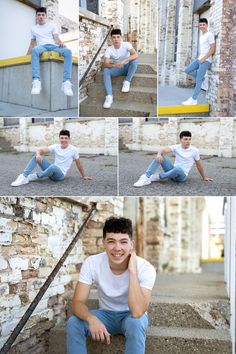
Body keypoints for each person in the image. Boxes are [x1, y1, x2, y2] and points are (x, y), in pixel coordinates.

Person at [67, 217, 156, 354]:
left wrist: (132, 271)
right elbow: (76, 303)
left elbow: (137, 311)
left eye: (123, 242)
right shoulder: (92, 263)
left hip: (130, 316)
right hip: (105, 314)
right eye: (111, 241)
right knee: (74, 323)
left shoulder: (145, 268)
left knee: (136, 323)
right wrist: (91, 318)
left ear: (131, 244)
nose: (117, 248)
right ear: (103, 243)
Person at [11, 130, 92, 187]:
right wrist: (38, 154)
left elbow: (78, 163)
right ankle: (24, 177)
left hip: (60, 175)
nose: (64, 140)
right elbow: (40, 150)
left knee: (53, 167)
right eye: (62, 138)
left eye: (66, 138)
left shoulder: (73, 149)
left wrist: (83, 176)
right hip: (51, 171)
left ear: (69, 139)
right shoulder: (56, 146)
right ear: (59, 139)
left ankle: (34, 176)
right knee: (36, 156)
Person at [133, 131, 212, 187]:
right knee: (161, 156)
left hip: (182, 176)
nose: (188, 141)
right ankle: (146, 177)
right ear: (180, 139)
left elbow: (199, 165)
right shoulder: (176, 147)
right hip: (172, 171)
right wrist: (159, 154)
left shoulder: (195, 150)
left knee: (177, 169)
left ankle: (155, 177)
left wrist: (204, 177)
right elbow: (163, 150)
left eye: (189, 139)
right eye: (185, 139)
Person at [27, 7, 73, 96]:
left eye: (43, 15)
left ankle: (66, 82)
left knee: (68, 51)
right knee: (35, 50)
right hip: (41, 47)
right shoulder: (33, 28)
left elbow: (56, 39)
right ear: (36, 16)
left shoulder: (52, 25)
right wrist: (26, 54)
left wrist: (61, 44)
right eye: (39, 15)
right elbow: (32, 43)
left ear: (46, 16)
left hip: (53, 46)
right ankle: (36, 81)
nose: (41, 17)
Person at [182, 18, 216, 106]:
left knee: (198, 80)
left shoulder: (210, 34)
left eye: (203, 25)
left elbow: (212, 49)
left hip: (206, 60)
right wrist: (199, 56)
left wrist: (204, 58)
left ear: (207, 25)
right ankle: (202, 78)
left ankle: (194, 99)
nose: (202, 26)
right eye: (200, 25)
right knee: (187, 70)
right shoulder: (201, 37)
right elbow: (204, 48)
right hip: (200, 58)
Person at [103, 29, 138, 109]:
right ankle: (109, 96)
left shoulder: (126, 44)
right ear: (111, 39)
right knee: (106, 70)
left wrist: (123, 60)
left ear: (121, 37)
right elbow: (105, 64)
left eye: (118, 37)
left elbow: (135, 54)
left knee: (134, 60)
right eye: (114, 37)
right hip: (117, 69)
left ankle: (127, 81)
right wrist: (114, 65)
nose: (116, 39)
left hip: (127, 68)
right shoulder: (109, 49)